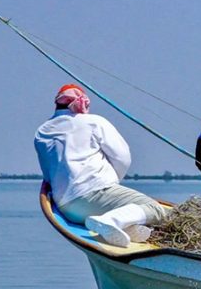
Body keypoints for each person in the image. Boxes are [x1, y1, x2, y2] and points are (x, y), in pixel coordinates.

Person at [35, 84, 169, 248]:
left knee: (138, 224)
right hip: (95, 194)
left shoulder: (42, 131)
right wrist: (113, 183)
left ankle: (124, 228)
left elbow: (48, 175)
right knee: (155, 209)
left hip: (67, 208)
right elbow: (122, 157)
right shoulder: (93, 122)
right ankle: (110, 220)